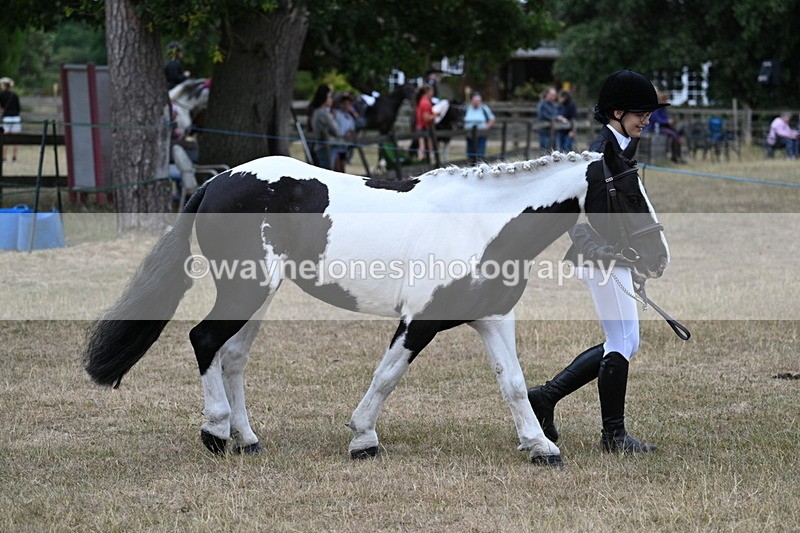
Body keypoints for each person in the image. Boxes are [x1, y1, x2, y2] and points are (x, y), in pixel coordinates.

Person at [527, 69, 669, 454]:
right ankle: (613, 436)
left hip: (613, 257)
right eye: (641, 112)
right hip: (600, 259)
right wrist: (607, 251)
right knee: (623, 340)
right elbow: (572, 216)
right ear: (617, 111)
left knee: (623, 340)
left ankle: (544, 398)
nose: (647, 119)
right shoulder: (597, 156)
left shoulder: (620, 149)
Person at [644, 92, 687, 163]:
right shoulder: (655, 109)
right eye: (665, 100)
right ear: (660, 100)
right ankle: (675, 156)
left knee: (676, 134)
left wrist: (670, 120)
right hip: (656, 128)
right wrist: (667, 121)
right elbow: (657, 120)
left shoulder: (663, 108)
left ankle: (677, 155)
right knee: (674, 135)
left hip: (664, 127)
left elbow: (665, 117)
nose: (666, 101)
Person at [307, 84, 340, 170]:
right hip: (324, 148)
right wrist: (332, 117)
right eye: (329, 97)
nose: (331, 99)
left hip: (322, 147)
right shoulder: (322, 113)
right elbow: (336, 131)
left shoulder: (318, 112)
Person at [462, 92, 495, 163]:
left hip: (481, 135)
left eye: (479, 101)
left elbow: (492, 119)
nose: (478, 102)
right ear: (471, 101)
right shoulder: (467, 108)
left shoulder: (484, 108)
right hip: (469, 135)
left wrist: (486, 127)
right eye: (476, 101)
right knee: (470, 154)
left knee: (480, 154)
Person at [331, 92, 359, 172]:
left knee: (342, 168)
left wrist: (349, 134)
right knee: (335, 167)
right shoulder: (336, 113)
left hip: (344, 147)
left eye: (348, 104)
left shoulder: (350, 118)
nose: (346, 106)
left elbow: (352, 129)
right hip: (335, 145)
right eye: (345, 104)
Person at [0, 77, 22, 162]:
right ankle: (14, 157)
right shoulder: (15, 95)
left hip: (7, 119)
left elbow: (1, 108)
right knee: (15, 139)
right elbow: (18, 109)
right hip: (16, 118)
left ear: (4, 85)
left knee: (4, 138)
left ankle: (4, 156)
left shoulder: (1, 95)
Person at [414, 84, 438, 161]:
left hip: (422, 128)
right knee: (424, 151)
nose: (433, 93)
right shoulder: (425, 103)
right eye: (432, 91)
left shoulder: (422, 101)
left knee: (423, 150)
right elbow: (426, 118)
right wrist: (436, 115)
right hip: (424, 129)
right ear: (427, 92)